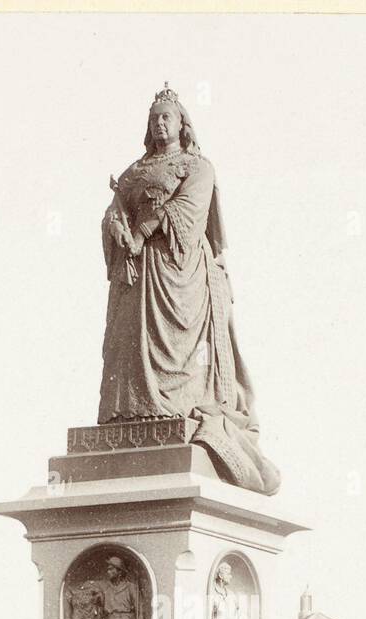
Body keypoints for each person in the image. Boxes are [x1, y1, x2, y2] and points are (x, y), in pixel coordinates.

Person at [99, 84, 279, 497]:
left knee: (177, 344)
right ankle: (130, 413)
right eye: (154, 118)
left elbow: (188, 211)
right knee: (127, 342)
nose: (160, 123)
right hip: (135, 271)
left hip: (175, 268)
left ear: (182, 124)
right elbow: (115, 209)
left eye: (167, 117)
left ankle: (174, 408)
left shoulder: (198, 167)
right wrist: (117, 226)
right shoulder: (132, 172)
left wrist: (145, 229)